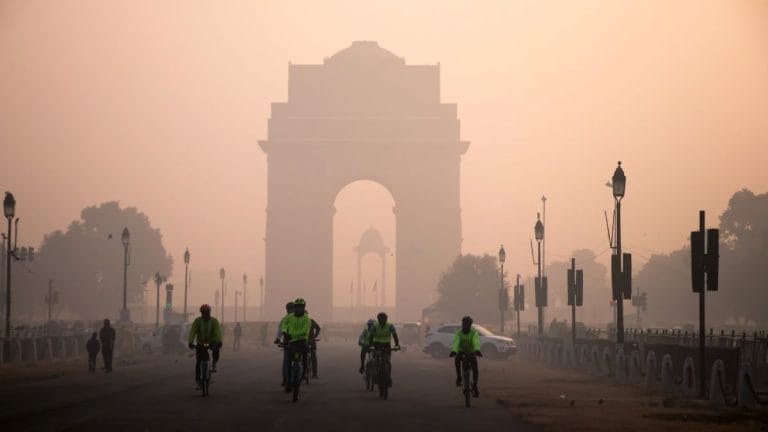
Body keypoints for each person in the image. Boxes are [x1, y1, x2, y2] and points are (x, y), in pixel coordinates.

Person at [188, 304, 223, 390]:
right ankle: (198, 381)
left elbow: (217, 332)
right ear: (201, 313)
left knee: (216, 349)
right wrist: (190, 342)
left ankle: (214, 363)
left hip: (211, 342)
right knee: (198, 362)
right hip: (201, 343)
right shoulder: (197, 321)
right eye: (204, 313)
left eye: (207, 313)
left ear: (209, 312)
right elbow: (193, 332)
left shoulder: (214, 321)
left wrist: (219, 341)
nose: (205, 315)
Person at [280, 298, 311, 391]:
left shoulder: (307, 318)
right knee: (288, 363)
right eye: (297, 307)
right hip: (291, 342)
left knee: (305, 357)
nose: (299, 309)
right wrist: (285, 332)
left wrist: (291, 335)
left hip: (301, 341)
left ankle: (305, 372)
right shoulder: (290, 317)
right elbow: (284, 325)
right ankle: (288, 381)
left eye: (301, 307)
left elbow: (305, 331)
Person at [449, 316, 482, 397]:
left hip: (471, 352)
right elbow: (456, 343)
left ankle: (474, 385)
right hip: (461, 352)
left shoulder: (474, 333)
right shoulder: (458, 333)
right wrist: (454, 351)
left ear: (470, 325)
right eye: (464, 324)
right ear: (462, 324)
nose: (466, 326)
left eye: (468, 324)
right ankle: (459, 377)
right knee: (457, 359)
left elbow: (476, 342)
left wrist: (477, 350)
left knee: (475, 368)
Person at [368, 312, 400, 385]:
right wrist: (371, 346)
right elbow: (371, 337)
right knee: (376, 361)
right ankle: (375, 375)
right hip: (377, 344)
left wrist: (397, 345)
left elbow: (395, 336)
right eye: (380, 320)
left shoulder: (390, 326)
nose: (382, 321)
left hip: (386, 344)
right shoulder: (374, 326)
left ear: (386, 319)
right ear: (378, 319)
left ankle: (388, 377)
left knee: (388, 362)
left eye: (384, 320)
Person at [274, 302, 294, 386]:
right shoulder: (285, 320)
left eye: (291, 309)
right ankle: (286, 378)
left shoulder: (299, 318)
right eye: (289, 309)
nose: (290, 311)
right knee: (286, 361)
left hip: (298, 342)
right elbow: (280, 330)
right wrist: (278, 339)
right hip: (288, 343)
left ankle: (303, 373)